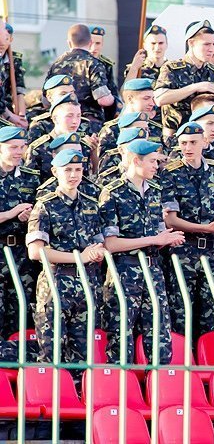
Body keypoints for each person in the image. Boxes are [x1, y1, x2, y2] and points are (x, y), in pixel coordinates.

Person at [99, 139, 186, 365]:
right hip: (124, 270)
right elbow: (111, 244)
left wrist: (167, 239)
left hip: (152, 268)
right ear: (136, 161)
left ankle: (160, 382)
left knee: (159, 333)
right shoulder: (113, 192)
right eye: (152, 161)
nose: (156, 166)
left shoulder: (154, 191)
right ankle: (120, 383)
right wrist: (155, 239)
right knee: (121, 334)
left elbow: (157, 233)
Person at [26, 148, 106, 364]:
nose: (73, 175)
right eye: (68, 170)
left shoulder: (90, 204)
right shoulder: (45, 205)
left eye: (78, 170)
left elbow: (99, 243)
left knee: (82, 355)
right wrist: (80, 257)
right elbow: (36, 251)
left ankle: (78, 386)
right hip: (56, 283)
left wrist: (97, 253)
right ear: (55, 172)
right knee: (51, 353)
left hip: (86, 284)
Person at [159, 122, 214, 337]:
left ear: (204, 142)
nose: (188, 148)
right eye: (183, 143)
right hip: (183, 250)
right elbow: (171, 221)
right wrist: (205, 228)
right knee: (182, 314)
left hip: (211, 251)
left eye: (193, 142)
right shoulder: (171, 173)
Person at [155, 20, 214, 138]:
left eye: (213, 45)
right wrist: (196, 87)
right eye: (206, 44)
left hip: (205, 137)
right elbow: (159, 99)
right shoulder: (172, 68)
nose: (211, 49)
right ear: (191, 43)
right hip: (176, 137)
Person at [0, 126, 40, 334]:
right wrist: (11, 213)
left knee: (21, 313)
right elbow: (11, 213)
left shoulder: (30, 178)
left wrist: (28, 216)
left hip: (22, 254)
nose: (19, 152)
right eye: (13, 147)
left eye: (22, 147)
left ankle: (17, 352)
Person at [46, 24, 115, 133]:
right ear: (90, 43)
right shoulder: (94, 64)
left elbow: (46, 100)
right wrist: (115, 101)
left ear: (69, 43)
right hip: (89, 126)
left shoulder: (56, 64)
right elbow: (104, 100)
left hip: (61, 124)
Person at [88, 25, 123, 120]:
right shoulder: (78, 62)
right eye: (91, 43)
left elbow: (112, 90)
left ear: (102, 44)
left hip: (101, 112)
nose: (94, 48)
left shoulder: (106, 64)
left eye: (98, 43)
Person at [0, 23, 27, 127]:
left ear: (11, 40)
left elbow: (19, 90)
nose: (2, 43)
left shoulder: (14, 60)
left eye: (6, 39)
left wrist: (21, 116)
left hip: (7, 106)